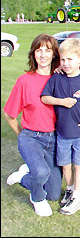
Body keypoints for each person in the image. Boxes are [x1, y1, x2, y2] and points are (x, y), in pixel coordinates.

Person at [4, 34, 62, 217]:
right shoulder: (25, 81)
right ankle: (36, 198)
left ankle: (24, 176)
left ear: (54, 55)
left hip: (54, 139)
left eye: (48, 50)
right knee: (41, 172)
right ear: (33, 54)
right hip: (31, 137)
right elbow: (9, 114)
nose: (43, 54)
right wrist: (22, 135)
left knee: (53, 193)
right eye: (39, 50)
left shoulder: (60, 79)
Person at [41, 38, 80, 215]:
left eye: (70, 59)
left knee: (79, 165)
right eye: (63, 59)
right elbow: (45, 97)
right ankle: (69, 188)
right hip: (63, 133)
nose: (66, 64)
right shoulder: (56, 79)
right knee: (65, 165)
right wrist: (61, 101)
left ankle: (77, 196)